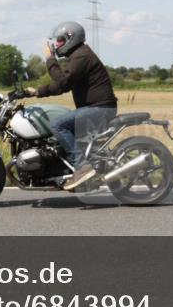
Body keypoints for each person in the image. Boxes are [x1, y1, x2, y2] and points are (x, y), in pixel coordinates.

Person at [25, 21, 117, 190]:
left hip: (99, 108)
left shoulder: (81, 56)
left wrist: (49, 60)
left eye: (59, 40)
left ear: (70, 38)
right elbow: (64, 83)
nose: (56, 44)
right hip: (96, 107)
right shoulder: (79, 55)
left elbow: (62, 83)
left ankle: (82, 166)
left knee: (57, 125)